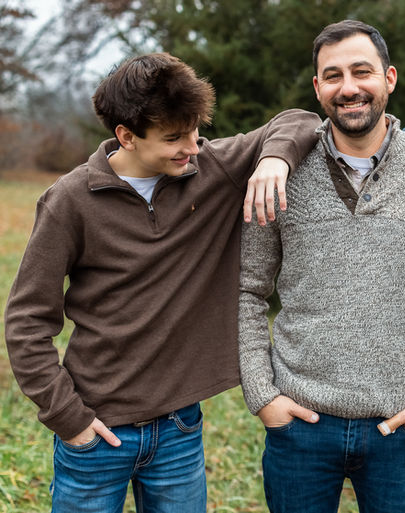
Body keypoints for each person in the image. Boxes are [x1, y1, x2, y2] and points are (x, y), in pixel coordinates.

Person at [4, 52, 320, 512]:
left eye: (194, 130)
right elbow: (27, 321)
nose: (192, 146)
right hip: (95, 432)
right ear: (126, 136)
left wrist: (273, 159)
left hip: (179, 431)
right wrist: (69, 420)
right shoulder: (70, 201)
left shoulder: (212, 168)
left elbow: (301, 119)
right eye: (174, 137)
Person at [238, 20, 405, 513]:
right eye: (332, 76)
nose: (348, 87)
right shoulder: (280, 169)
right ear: (317, 88)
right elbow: (247, 290)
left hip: (402, 427)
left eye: (362, 72)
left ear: (389, 78)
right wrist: (262, 394)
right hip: (299, 423)